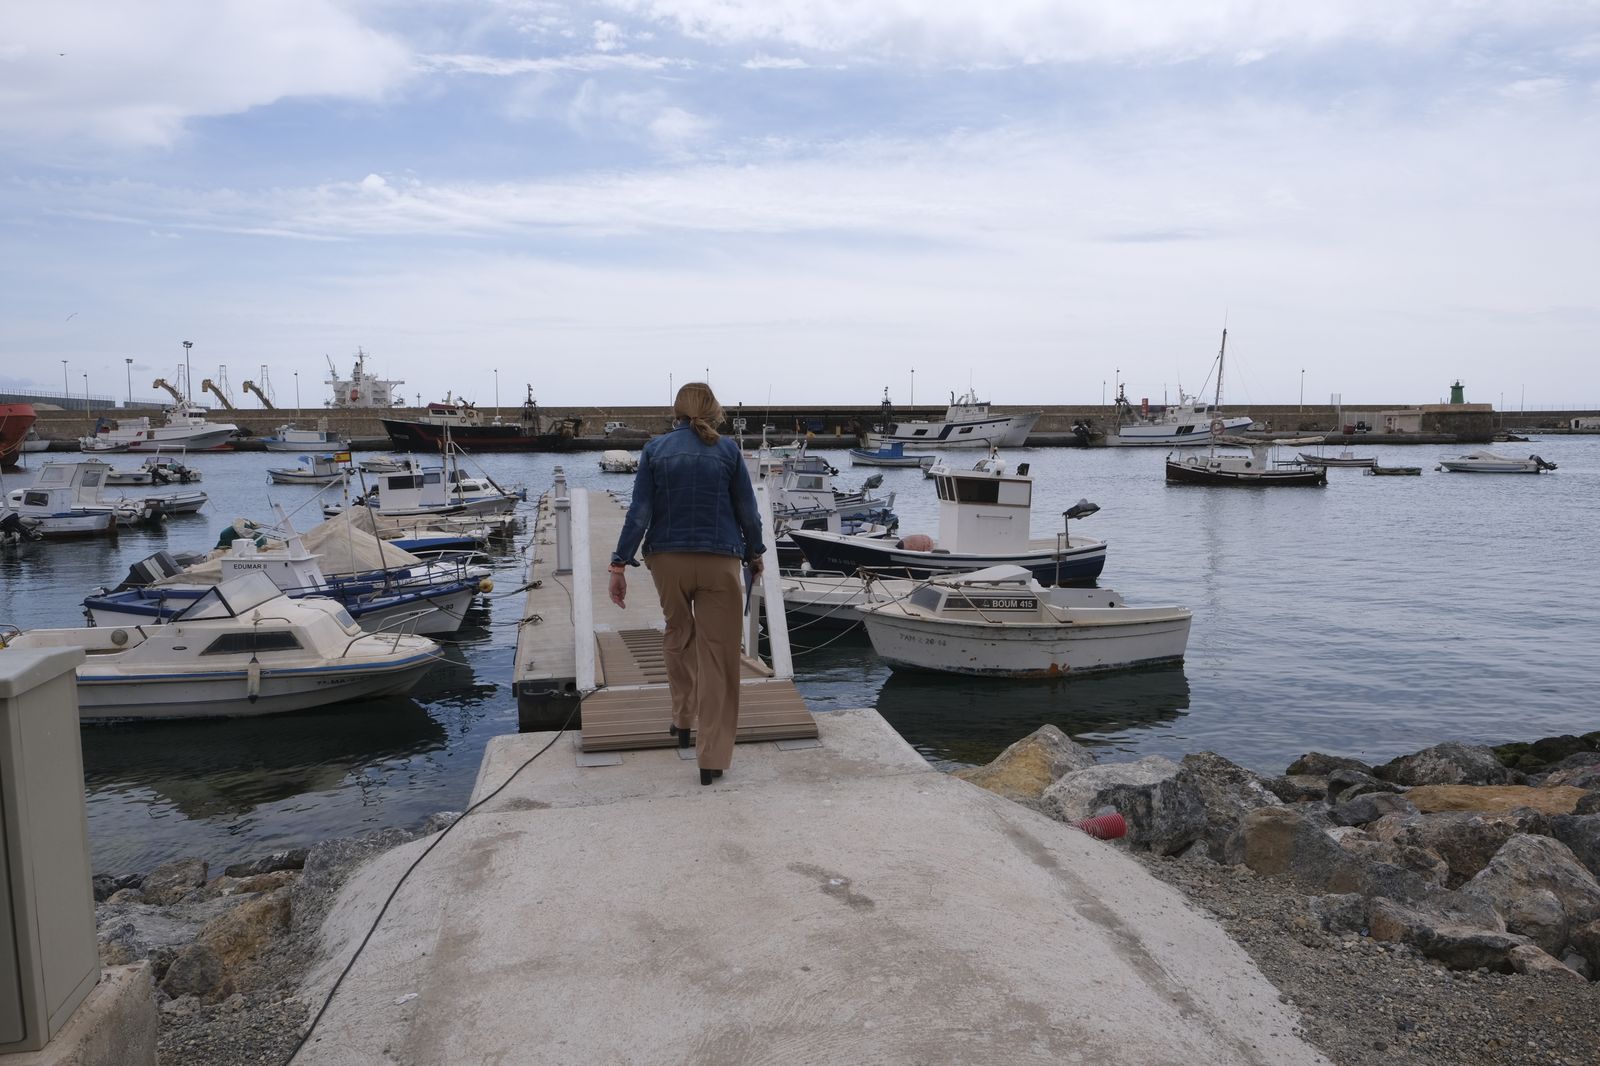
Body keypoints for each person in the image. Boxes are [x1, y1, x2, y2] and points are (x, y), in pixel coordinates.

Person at [609, 382, 766, 786]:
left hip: (668, 559)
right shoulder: (728, 451)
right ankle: (710, 758)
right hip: (719, 560)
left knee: (678, 635)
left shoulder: (655, 450)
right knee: (719, 656)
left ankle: (681, 720)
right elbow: (747, 511)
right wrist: (755, 552)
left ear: (676, 410)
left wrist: (619, 564)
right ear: (713, 410)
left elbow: (640, 512)